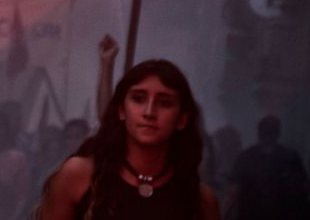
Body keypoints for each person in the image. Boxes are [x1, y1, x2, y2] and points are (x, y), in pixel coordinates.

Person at [36, 59, 220, 220]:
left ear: (182, 119)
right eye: (138, 99)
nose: (149, 112)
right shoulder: (79, 176)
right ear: (121, 110)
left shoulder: (200, 200)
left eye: (164, 103)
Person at [225, 114, 310, 220]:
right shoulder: (290, 157)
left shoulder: (246, 157)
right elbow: (306, 189)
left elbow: (233, 191)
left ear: (258, 133)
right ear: (278, 133)